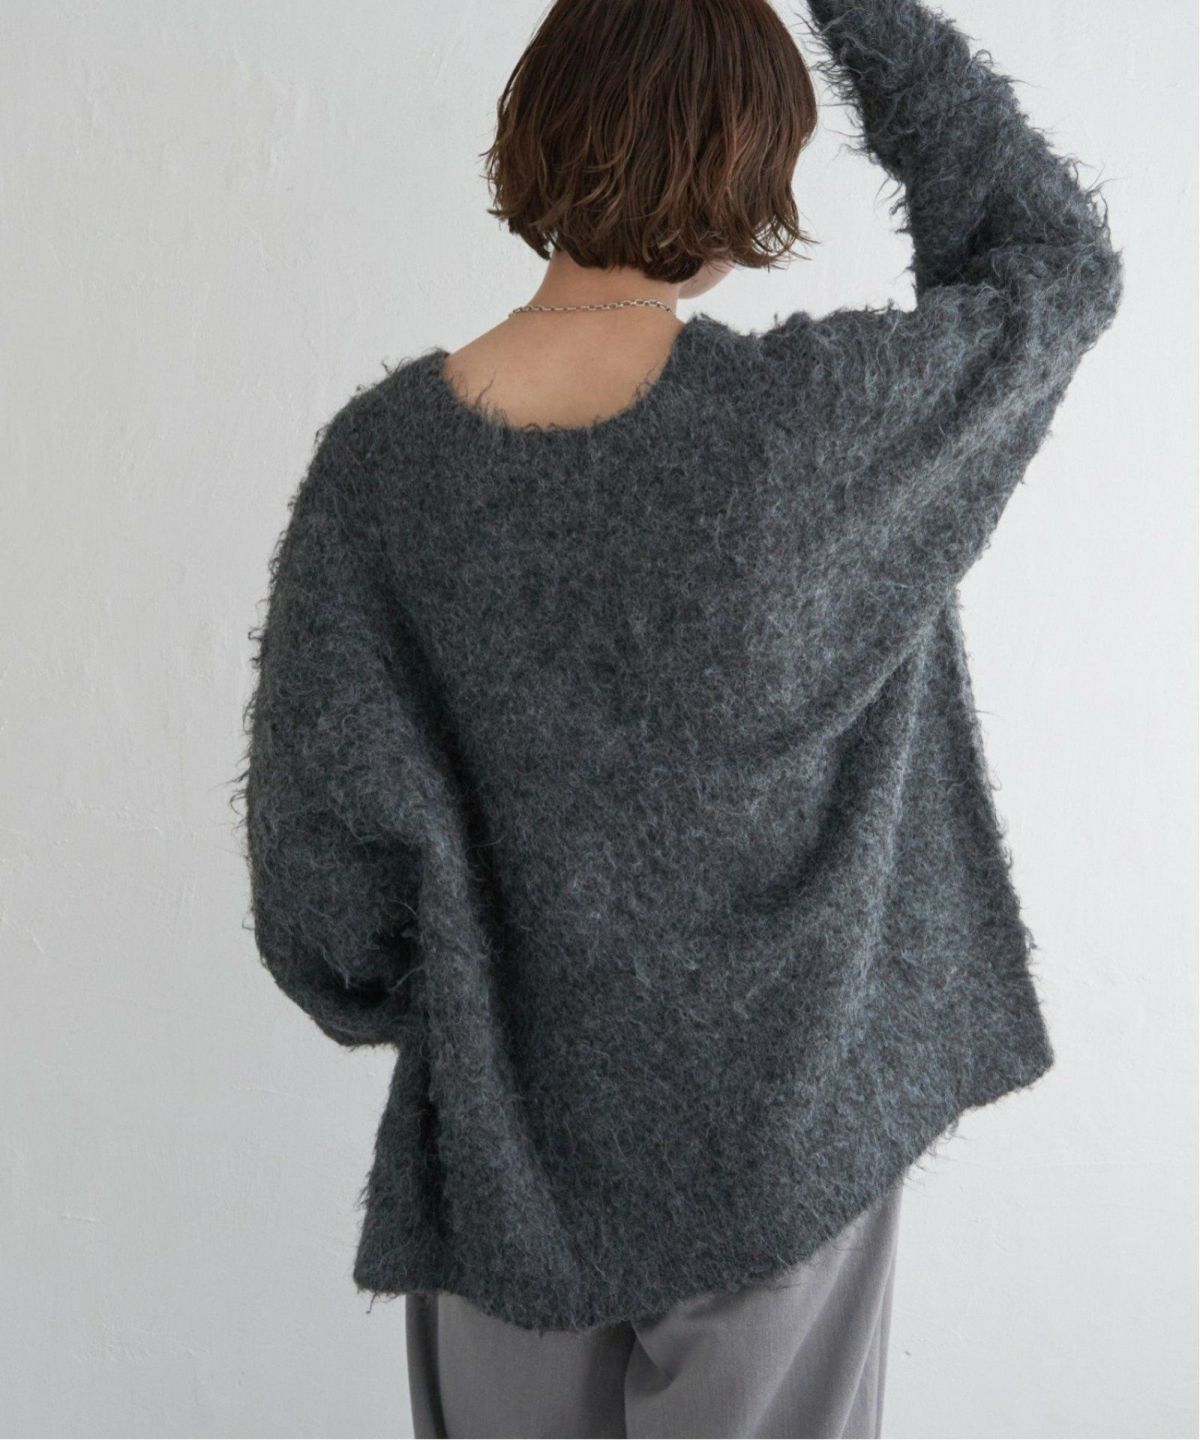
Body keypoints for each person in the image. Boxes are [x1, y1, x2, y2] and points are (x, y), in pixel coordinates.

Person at [236, 0, 1123, 1435]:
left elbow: (321, 905)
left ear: (541, 126)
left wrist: (501, 1008)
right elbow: (1057, 262)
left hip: (510, 1185)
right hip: (785, 1152)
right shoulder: (804, 438)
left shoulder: (380, 479)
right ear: (746, 166)